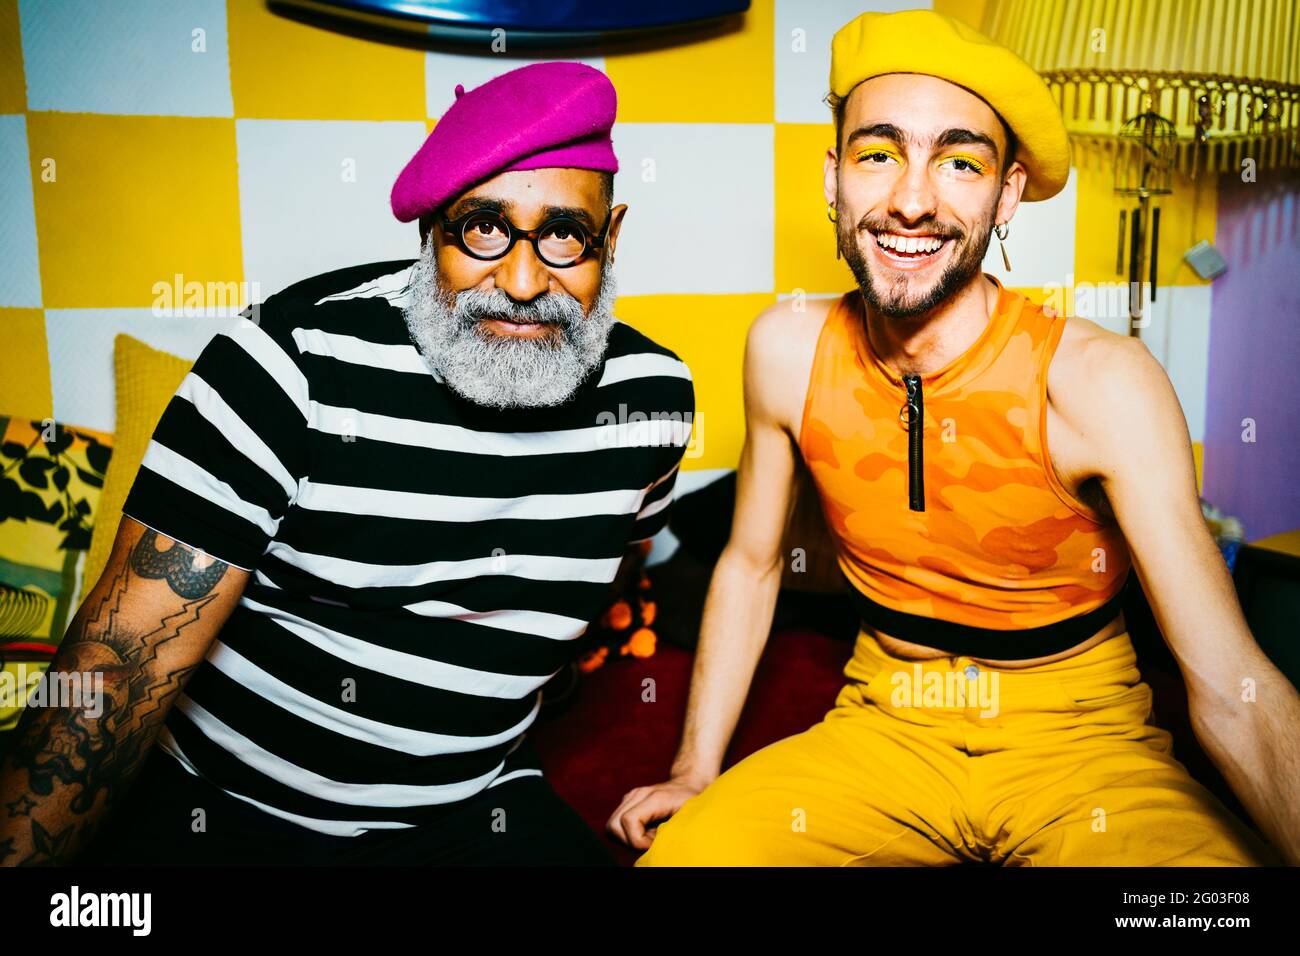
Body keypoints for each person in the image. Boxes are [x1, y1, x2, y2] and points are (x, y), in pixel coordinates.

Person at [610, 10, 1298, 866]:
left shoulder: (1099, 382)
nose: (910, 197)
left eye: (960, 161)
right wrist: (692, 768)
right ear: (833, 176)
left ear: (1007, 194)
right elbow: (751, 564)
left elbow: (1234, 687)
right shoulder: (784, 351)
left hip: (1082, 744)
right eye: (878, 153)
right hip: (881, 729)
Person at [0, 61, 693, 866]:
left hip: (475, 809)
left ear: (610, 238)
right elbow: (122, 663)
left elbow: (610, 560)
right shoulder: (287, 362)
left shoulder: (651, 399)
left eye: (566, 234)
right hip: (230, 807)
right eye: (484, 228)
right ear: (431, 227)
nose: (523, 280)